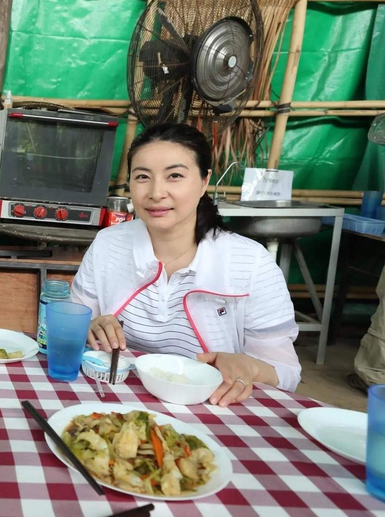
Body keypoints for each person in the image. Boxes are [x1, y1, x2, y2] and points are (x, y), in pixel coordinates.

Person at [72, 123, 300, 406]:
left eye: (175, 176)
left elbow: (287, 373)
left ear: (204, 181)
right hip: (116, 397)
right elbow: (73, 324)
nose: (156, 192)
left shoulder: (251, 263)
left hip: (213, 405)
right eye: (143, 176)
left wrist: (248, 366)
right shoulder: (108, 245)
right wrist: (88, 326)